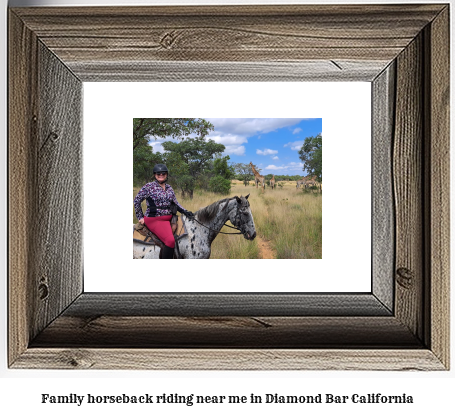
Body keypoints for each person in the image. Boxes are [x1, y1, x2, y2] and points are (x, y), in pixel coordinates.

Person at [134, 164, 194, 259]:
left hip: (170, 218)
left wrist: (185, 211)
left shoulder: (169, 188)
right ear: (155, 175)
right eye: (158, 173)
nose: (161, 174)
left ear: (166, 175)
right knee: (170, 241)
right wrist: (140, 217)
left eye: (163, 173)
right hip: (154, 220)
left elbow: (175, 203)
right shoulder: (149, 187)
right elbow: (137, 200)